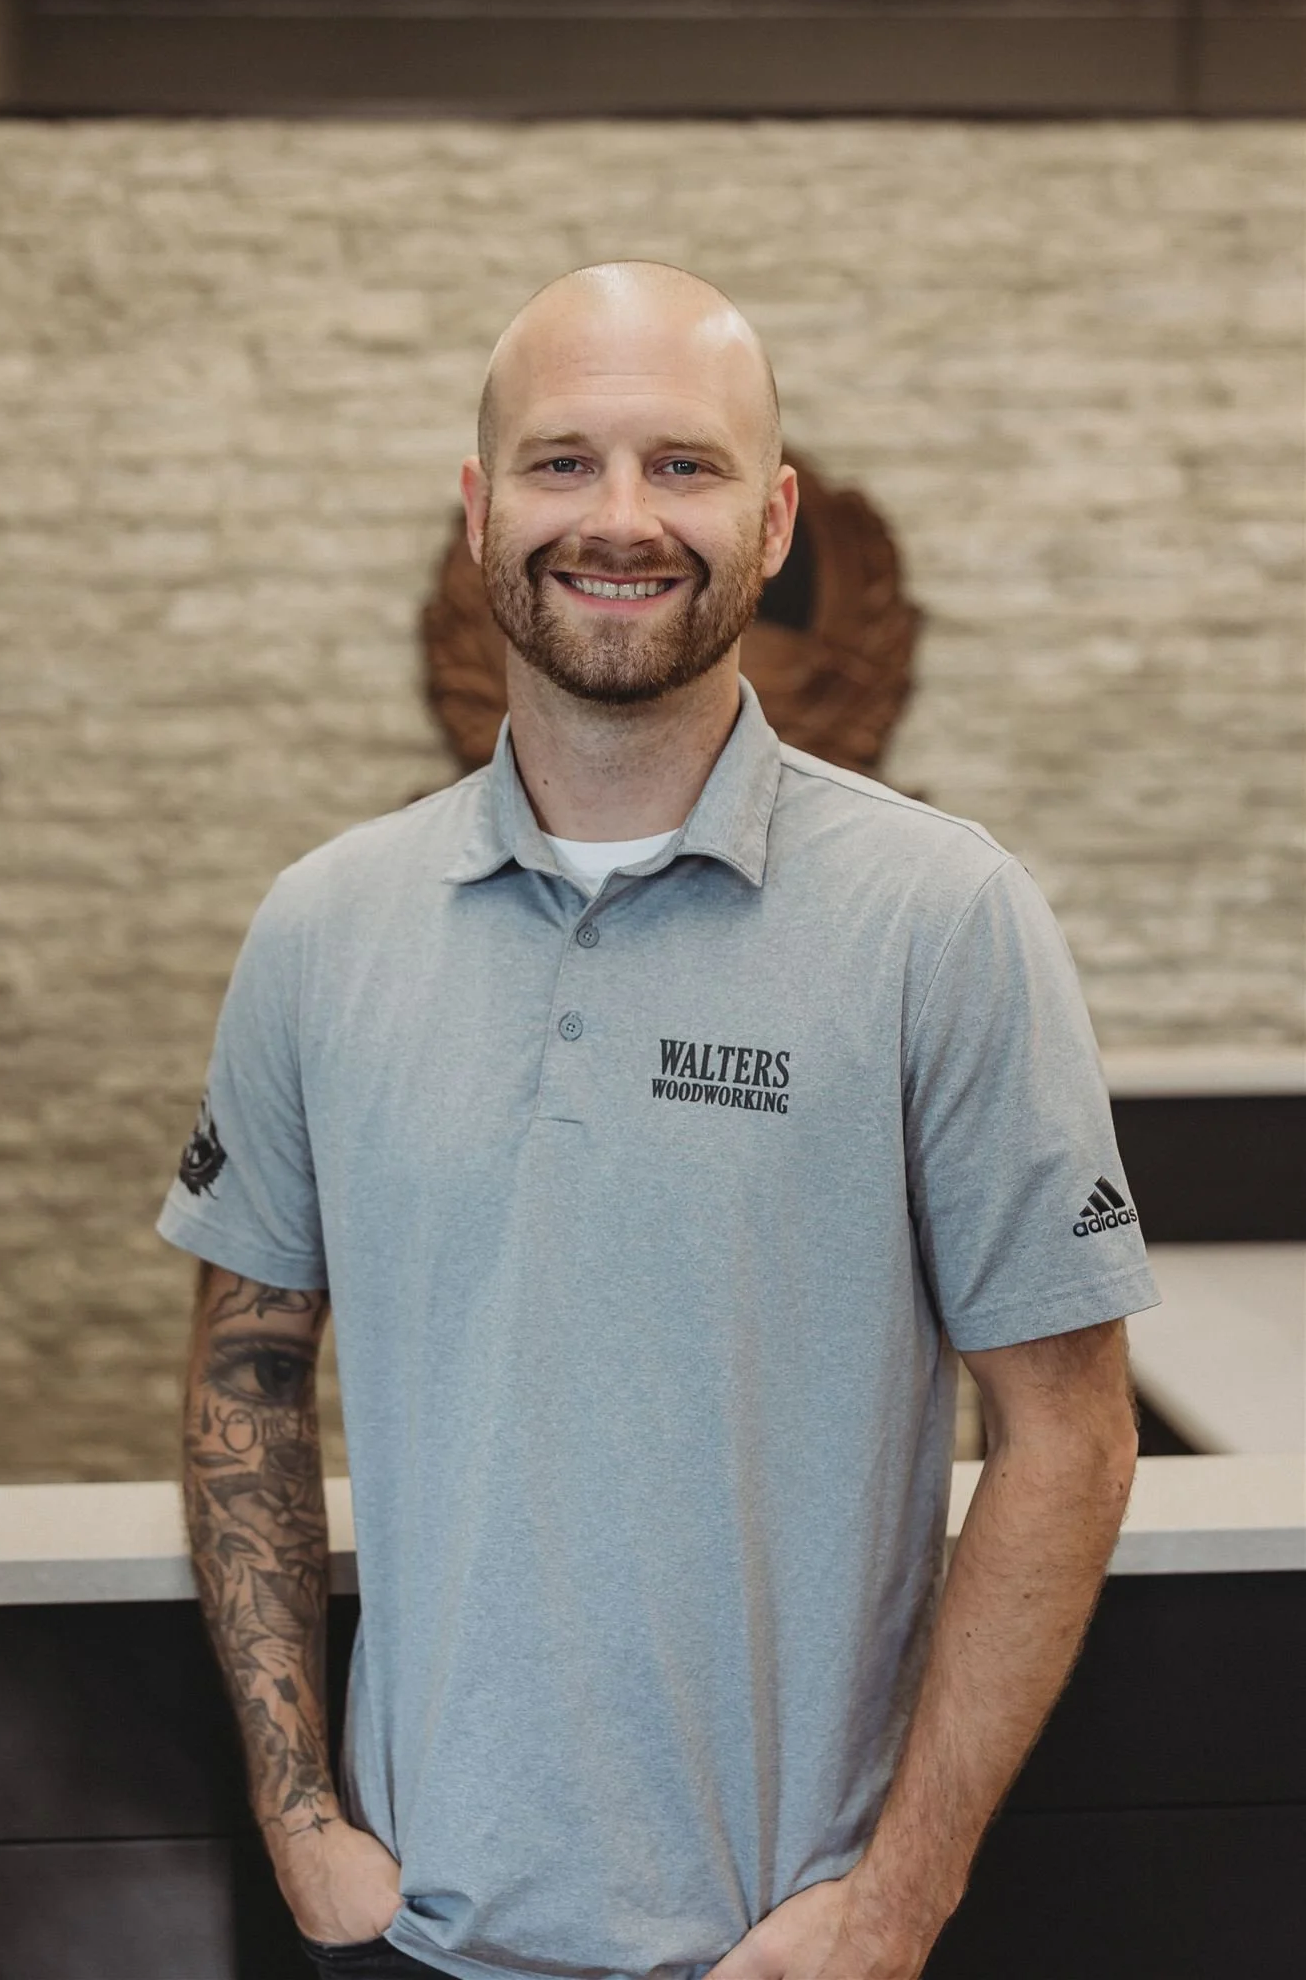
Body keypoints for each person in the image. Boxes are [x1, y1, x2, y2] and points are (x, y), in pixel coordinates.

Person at [161, 261, 1160, 1980]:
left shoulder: (942, 919)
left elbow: (1071, 1434)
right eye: (562, 461)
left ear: (774, 521)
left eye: (683, 465)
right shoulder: (323, 926)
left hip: (785, 1948)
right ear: (480, 509)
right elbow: (244, 1367)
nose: (620, 516)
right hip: (417, 1937)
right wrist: (299, 1815)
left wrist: (898, 1902)